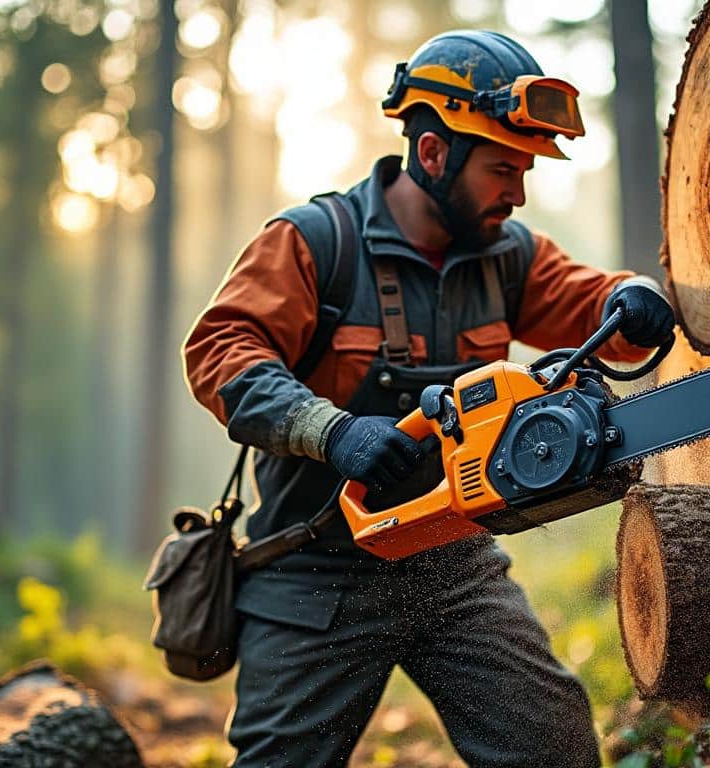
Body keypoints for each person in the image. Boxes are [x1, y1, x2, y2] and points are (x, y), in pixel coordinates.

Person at [182, 29, 676, 768]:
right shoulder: (317, 241)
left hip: (455, 567)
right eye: (502, 168)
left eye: (526, 170)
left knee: (552, 747)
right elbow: (220, 351)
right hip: (316, 572)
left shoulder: (508, 254)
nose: (517, 191)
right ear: (434, 152)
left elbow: (596, 307)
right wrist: (329, 429)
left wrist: (634, 298)